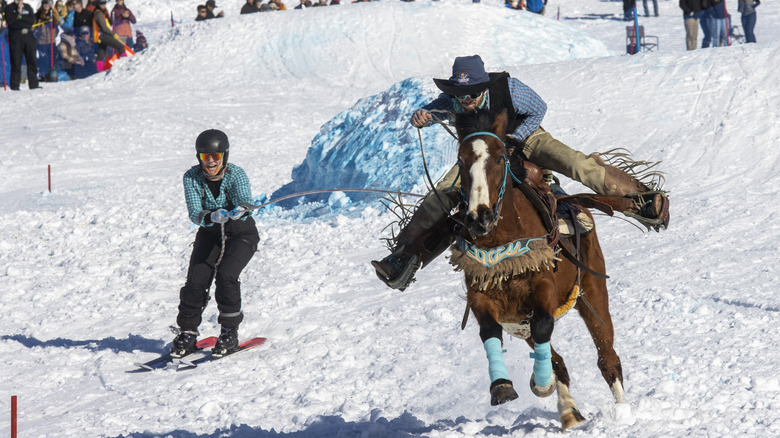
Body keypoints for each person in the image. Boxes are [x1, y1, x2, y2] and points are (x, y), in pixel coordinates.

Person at [371, 55, 670, 291]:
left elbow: (539, 108)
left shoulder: (510, 89)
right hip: (486, 153)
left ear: (485, 87)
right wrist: (424, 116)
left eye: (472, 94)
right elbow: (435, 112)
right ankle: (403, 256)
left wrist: (516, 137)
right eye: (460, 95)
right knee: (443, 194)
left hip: (527, 138)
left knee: (578, 164)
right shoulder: (454, 101)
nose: (466, 101)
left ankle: (641, 199)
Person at [171, 129, 260, 358]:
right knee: (196, 280)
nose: (210, 162)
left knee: (226, 275)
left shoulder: (236, 174)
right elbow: (194, 212)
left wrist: (240, 209)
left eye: (215, 157)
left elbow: (245, 198)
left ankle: (229, 332)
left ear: (224, 156)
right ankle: (188, 333)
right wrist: (210, 216)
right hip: (210, 234)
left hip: (240, 234)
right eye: (205, 157)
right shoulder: (191, 177)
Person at [5, 0, 40, 90]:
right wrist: (18, 12)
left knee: (32, 60)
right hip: (16, 36)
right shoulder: (9, 8)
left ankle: (34, 84)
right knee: (16, 61)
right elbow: (11, 21)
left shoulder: (27, 7)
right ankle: (15, 85)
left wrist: (19, 17)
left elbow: (31, 20)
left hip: (28, 35)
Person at [91, 0, 124, 71]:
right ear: (98, 5)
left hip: (100, 37)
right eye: (101, 4)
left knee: (100, 54)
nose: (103, 5)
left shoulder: (100, 13)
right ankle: (125, 64)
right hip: (103, 36)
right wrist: (113, 34)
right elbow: (104, 28)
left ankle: (99, 70)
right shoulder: (99, 14)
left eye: (104, 3)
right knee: (120, 47)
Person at [34, 0, 61, 81]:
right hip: (41, 42)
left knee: (52, 59)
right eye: (45, 4)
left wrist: (53, 9)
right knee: (43, 60)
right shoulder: (38, 15)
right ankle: (43, 75)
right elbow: (34, 26)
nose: (46, 6)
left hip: (51, 41)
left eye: (47, 4)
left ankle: (52, 75)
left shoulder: (52, 14)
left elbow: (57, 20)